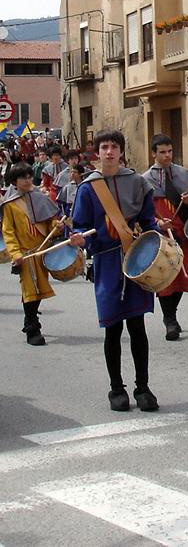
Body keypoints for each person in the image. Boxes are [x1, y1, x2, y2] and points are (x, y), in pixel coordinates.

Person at [69, 129, 161, 412]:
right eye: (104, 147)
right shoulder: (88, 188)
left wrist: (156, 236)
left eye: (114, 147)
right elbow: (79, 225)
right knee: (112, 328)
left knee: (138, 327)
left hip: (137, 258)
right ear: (97, 153)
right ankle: (116, 388)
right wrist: (79, 236)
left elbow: (148, 221)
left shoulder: (137, 183)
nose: (109, 152)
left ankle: (143, 387)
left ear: (122, 151)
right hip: (108, 264)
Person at [144, 134, 188, 341]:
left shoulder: (183, 175)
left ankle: (172, 314)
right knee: (164, 280)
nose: (167, 155)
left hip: (183, 233)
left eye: (170, 151)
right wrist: (157, 223)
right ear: (153, 154)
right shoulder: (144, 180)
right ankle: (169, 320)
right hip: (160, 237)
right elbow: (141, 211)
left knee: (182, 276)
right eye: (162, 152)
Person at [1, 163, 62, 346]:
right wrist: (15, 253)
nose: (28, 181)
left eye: (29, 177)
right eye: (23, 178)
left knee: (39, 290)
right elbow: (8, 232)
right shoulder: (9, 205)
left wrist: (56, 227)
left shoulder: (40, 198)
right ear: (14, 181)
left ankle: (31, 319)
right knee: (30, 290)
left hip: (41, 250)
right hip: (25, 255)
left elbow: (49, 221)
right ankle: (32, 328)